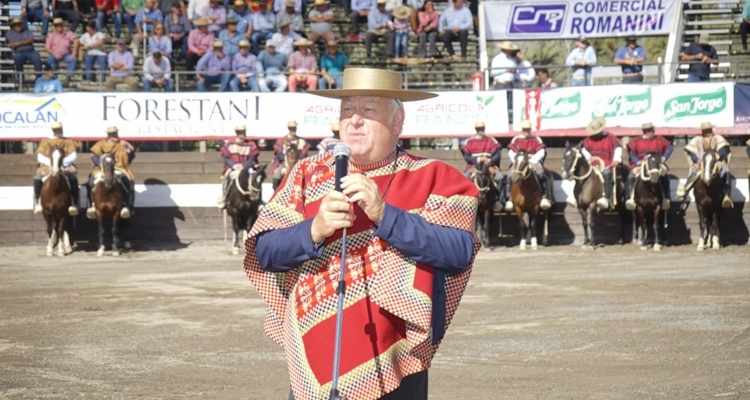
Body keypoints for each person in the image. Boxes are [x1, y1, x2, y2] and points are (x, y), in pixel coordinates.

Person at [244, 67, 478, 400]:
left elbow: (457, 252)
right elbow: (265, 251)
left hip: (398, 364)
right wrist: (314, 229)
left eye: (368, 110)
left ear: (397, 122)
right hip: (314, 361)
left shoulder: (435, 177)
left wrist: (386, 215)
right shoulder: (306, 173)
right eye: (347, 111)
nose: (354, 120)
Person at [675, 122, 733, 208]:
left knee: (725, 171)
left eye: (709, 130)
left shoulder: (718, 138)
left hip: (716, 161)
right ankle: (685, 190)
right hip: (702, 162)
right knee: (694, 171)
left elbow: (724, 149)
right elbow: (691, 152)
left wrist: (718, 156)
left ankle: (727, 195)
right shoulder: (697, 139)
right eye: (706, 130)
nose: (708, 132)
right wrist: (696, 159)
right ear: (702, 131)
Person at [86, 126, 136, 219]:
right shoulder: (100, 144)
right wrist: (103, 164)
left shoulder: (123, 144)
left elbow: (131, 156)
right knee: (91, 181)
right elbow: (95, 157)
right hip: (102, 168)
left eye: (115, 133)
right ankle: (92, 205)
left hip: (119, 168)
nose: (114, 135)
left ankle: (127, 205)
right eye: (112, 134)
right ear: (108, 135)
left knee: (127, 181)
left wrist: (127, 149)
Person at [33, 122, 80, 216]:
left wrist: (61, 164)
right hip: (47, 166)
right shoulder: (45, 142)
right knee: (37, 178)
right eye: (57, 130)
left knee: (72, 178)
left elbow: (73, 156)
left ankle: (74, 203)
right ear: (53, 131)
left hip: (65, 166)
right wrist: (52, 164)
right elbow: (40, 156)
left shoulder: (68, 142)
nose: (59, 131)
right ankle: (38, 202)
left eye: (60, 129)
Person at [625, 122, 673, 210]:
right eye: (651, 130)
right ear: (645, 131)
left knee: (664, 176)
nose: (653, 132)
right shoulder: (636, 141)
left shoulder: (660, 139)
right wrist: (637, 161)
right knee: (631, 176)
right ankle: (630, 199)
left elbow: (670, 147)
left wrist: (664, 157)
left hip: (656, 165)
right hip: (641, 164)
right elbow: (631, 153)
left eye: (652, 130)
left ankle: (666, 199)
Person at [506, 119, 550, 210]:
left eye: (528, 129)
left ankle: (545, 196)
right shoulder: (516, 139)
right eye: (524, 129)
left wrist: (533, 160)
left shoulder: (536, 139)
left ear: (530, 129)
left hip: (532, 160)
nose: (526, 131)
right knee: (509, 175)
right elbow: (511, 152)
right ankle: (509, 198)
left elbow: (541, 152)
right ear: (522, 129)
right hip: (519, 162)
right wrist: (516, 161)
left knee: (541, 173)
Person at [461, 120, 504, 211]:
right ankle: (465, 201)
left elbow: (497, 154)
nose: (481, 130)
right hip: (473, 166)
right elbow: (467, 156)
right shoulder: (469, 141)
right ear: (476, 130)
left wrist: (489, 160)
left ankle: (498, 200)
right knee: (465, 177)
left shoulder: (491, 140)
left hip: (489, 165)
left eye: (482, 128)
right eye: (479, 129)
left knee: (499, 177)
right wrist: (479, 159)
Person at [581, 117, 622, 209]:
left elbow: (617, 149)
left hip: (607, 163)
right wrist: (589, 159)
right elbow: (584, 151)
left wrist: (616, 160)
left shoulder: (611, 138)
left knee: (607, 173)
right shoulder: (588, 140)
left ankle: (607, 198)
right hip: (592, 165)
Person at [217, 125, 260, 209]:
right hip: (233, 167)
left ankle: (257, 199)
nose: (243, 134)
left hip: (247, 168)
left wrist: (244, 165)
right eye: (241, 132)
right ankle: (225, 196)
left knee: (256, 177)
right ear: (237, 133)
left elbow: (253, 158)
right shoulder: (229, 144)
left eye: (244, 132)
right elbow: (226, 158)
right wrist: (234, 165)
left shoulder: (250, 144)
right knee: (228, 177)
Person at [271, 120, 309, 187]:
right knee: (277, 175)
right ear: (288, 128)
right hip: (284, 164)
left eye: (294, 128)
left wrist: (299, 160)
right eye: (291, 128)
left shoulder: (302, 141)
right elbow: (279, 154)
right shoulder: (282, 140)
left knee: (308, 176)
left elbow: (304, 154)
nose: (293, 130)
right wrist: (286, 160)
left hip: (299, 164)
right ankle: (275, 191)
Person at [45, 18, 79, 85]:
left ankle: (69, 77)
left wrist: (74, 52)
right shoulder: (51, 35)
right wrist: (55, 54)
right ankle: (53, 75)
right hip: (55, 54)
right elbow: (47, 48)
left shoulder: (68, 33)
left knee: (73, 59)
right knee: (50, 59)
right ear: (55, 27)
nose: (59, 26)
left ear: (63, 25)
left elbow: (76, 41)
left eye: (60, 25)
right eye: (57, 25)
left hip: (66, 53)